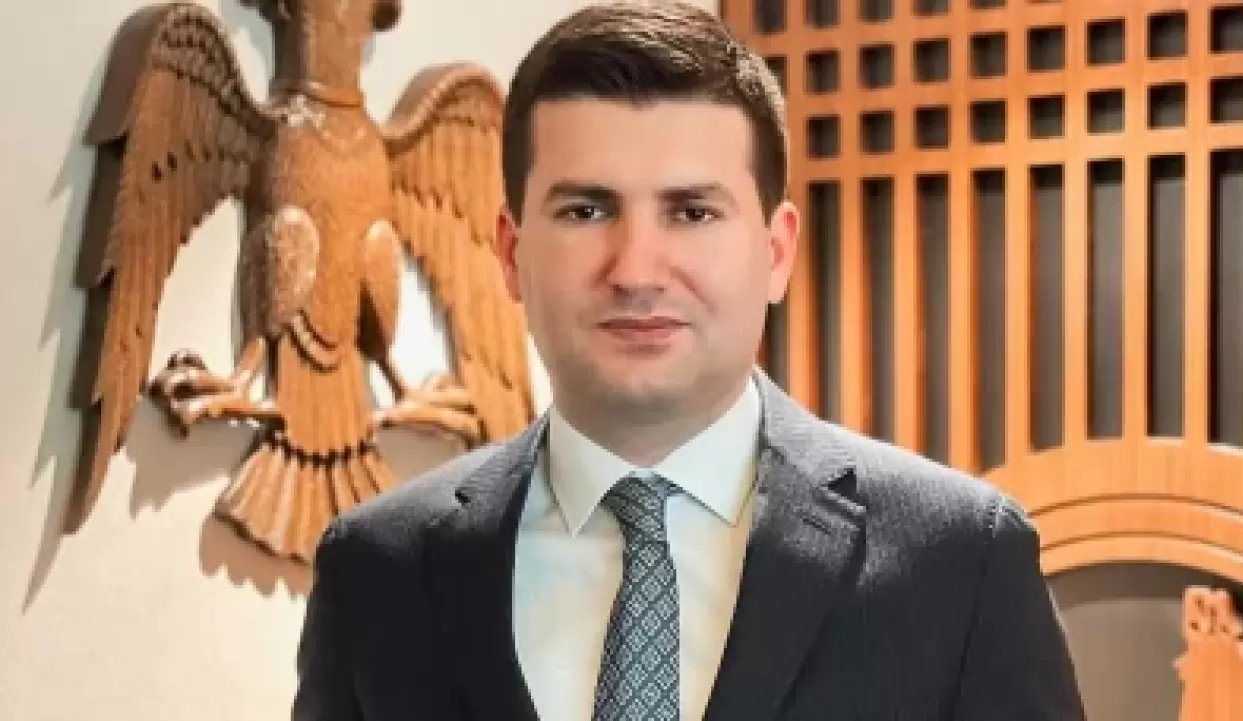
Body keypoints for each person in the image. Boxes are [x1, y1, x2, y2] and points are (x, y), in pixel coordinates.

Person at [290, 1, 1086, 719]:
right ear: (510, 251)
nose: (636, 269)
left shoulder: (962, 562)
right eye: (585, 209)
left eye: (692, 211)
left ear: (776, 252)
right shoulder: (377, 570)